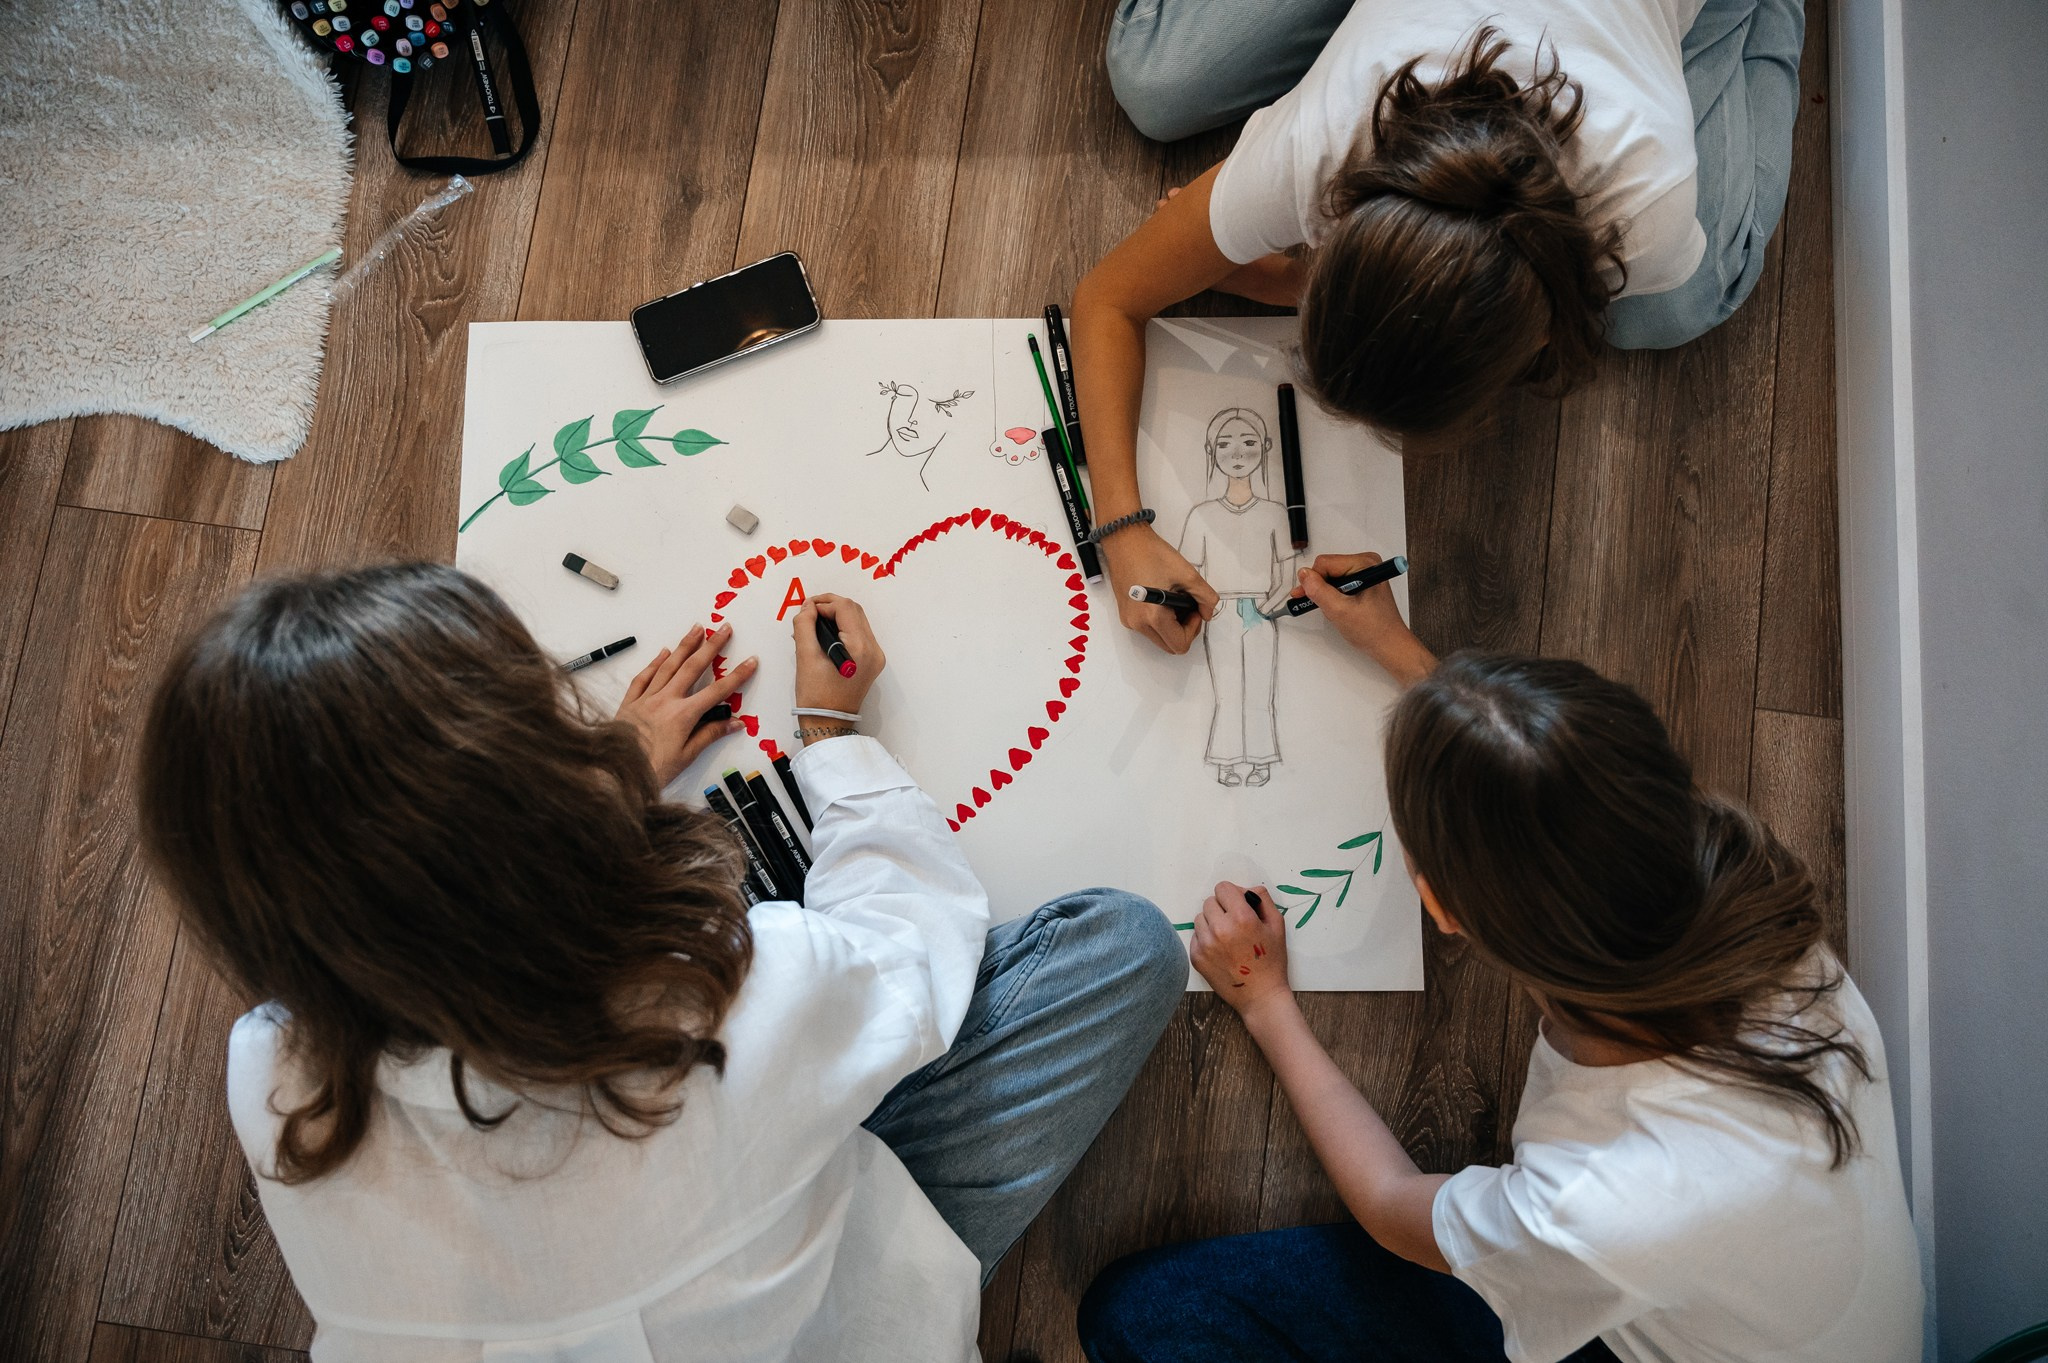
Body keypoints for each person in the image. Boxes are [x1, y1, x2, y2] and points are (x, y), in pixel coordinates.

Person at [137, 562, 1186, 1363]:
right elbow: (906, 947)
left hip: (703, 1256)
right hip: (840, 1322)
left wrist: (601, 786)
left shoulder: (270, 1076)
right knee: (1124, 947)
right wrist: (831, 737)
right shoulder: (730, 1003)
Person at [1075, 554, 1924, 1363]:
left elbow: (1388, 1205)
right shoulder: (1748, 889)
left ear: (1442, 908)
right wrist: (1414, 663)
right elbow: (1564, 798)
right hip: (1735, 1300)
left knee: (1138, 1315)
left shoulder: (1598, 1206)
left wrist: (1266, 1004)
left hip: (1641, 1312)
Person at [1075, 0, 1802, 654]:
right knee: (1154, 79)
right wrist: (1120, 527)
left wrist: (1275, 276)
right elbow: (1108, 298)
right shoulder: (1310, 149)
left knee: (1679, 305)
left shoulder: (1650, 210)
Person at [1178, 407, 1297, 785]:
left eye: (1248, 443)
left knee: (1261, 689)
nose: (1237, 453)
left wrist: (1269, 604)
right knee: (1227, 691)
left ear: (1264, 447)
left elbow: (1288, 570)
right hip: (1221, 609)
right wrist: (1210, 606)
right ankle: (1226, 760)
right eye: (1225, 444)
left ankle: (1262, 759)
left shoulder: (1277, 512)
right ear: (1211, 451)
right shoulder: (1201, 514)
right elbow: (1188, 572)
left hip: (1262, 611)